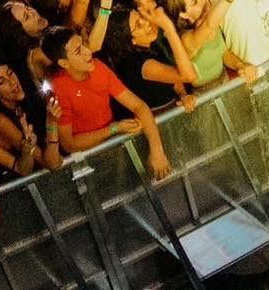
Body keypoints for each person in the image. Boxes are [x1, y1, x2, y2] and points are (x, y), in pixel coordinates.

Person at [42, 27, 172, 180]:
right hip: (87, 163)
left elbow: (138, 106)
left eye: (84, 44)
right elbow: (69, 144)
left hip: (114, 149)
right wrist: (114, 129)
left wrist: (157, 151)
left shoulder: (99, 68)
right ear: (64, 63)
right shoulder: (58, 89)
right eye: (78, 51)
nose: (88, 52)